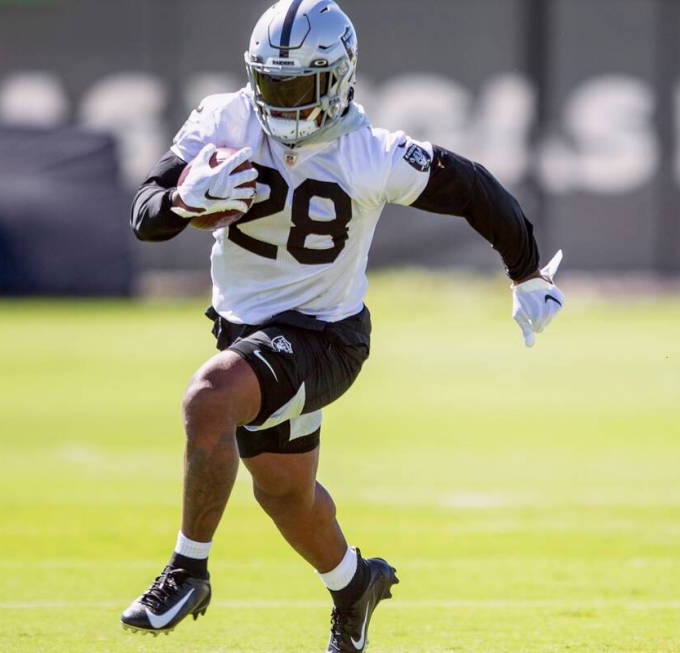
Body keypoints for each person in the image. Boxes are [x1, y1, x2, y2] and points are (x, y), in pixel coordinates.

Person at [124, 1, 565, 651]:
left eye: (298, 86)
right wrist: (185, 200)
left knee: (209, 396)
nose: (282, 102)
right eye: (271, 83)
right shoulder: (225, 118)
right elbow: (146, 215)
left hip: (324, 337)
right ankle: (355, 584)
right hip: (246, 330)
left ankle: (187, 569)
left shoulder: (369, 152)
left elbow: (472, 187)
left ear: (336, 80)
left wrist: (527, 271)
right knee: (284, 493)